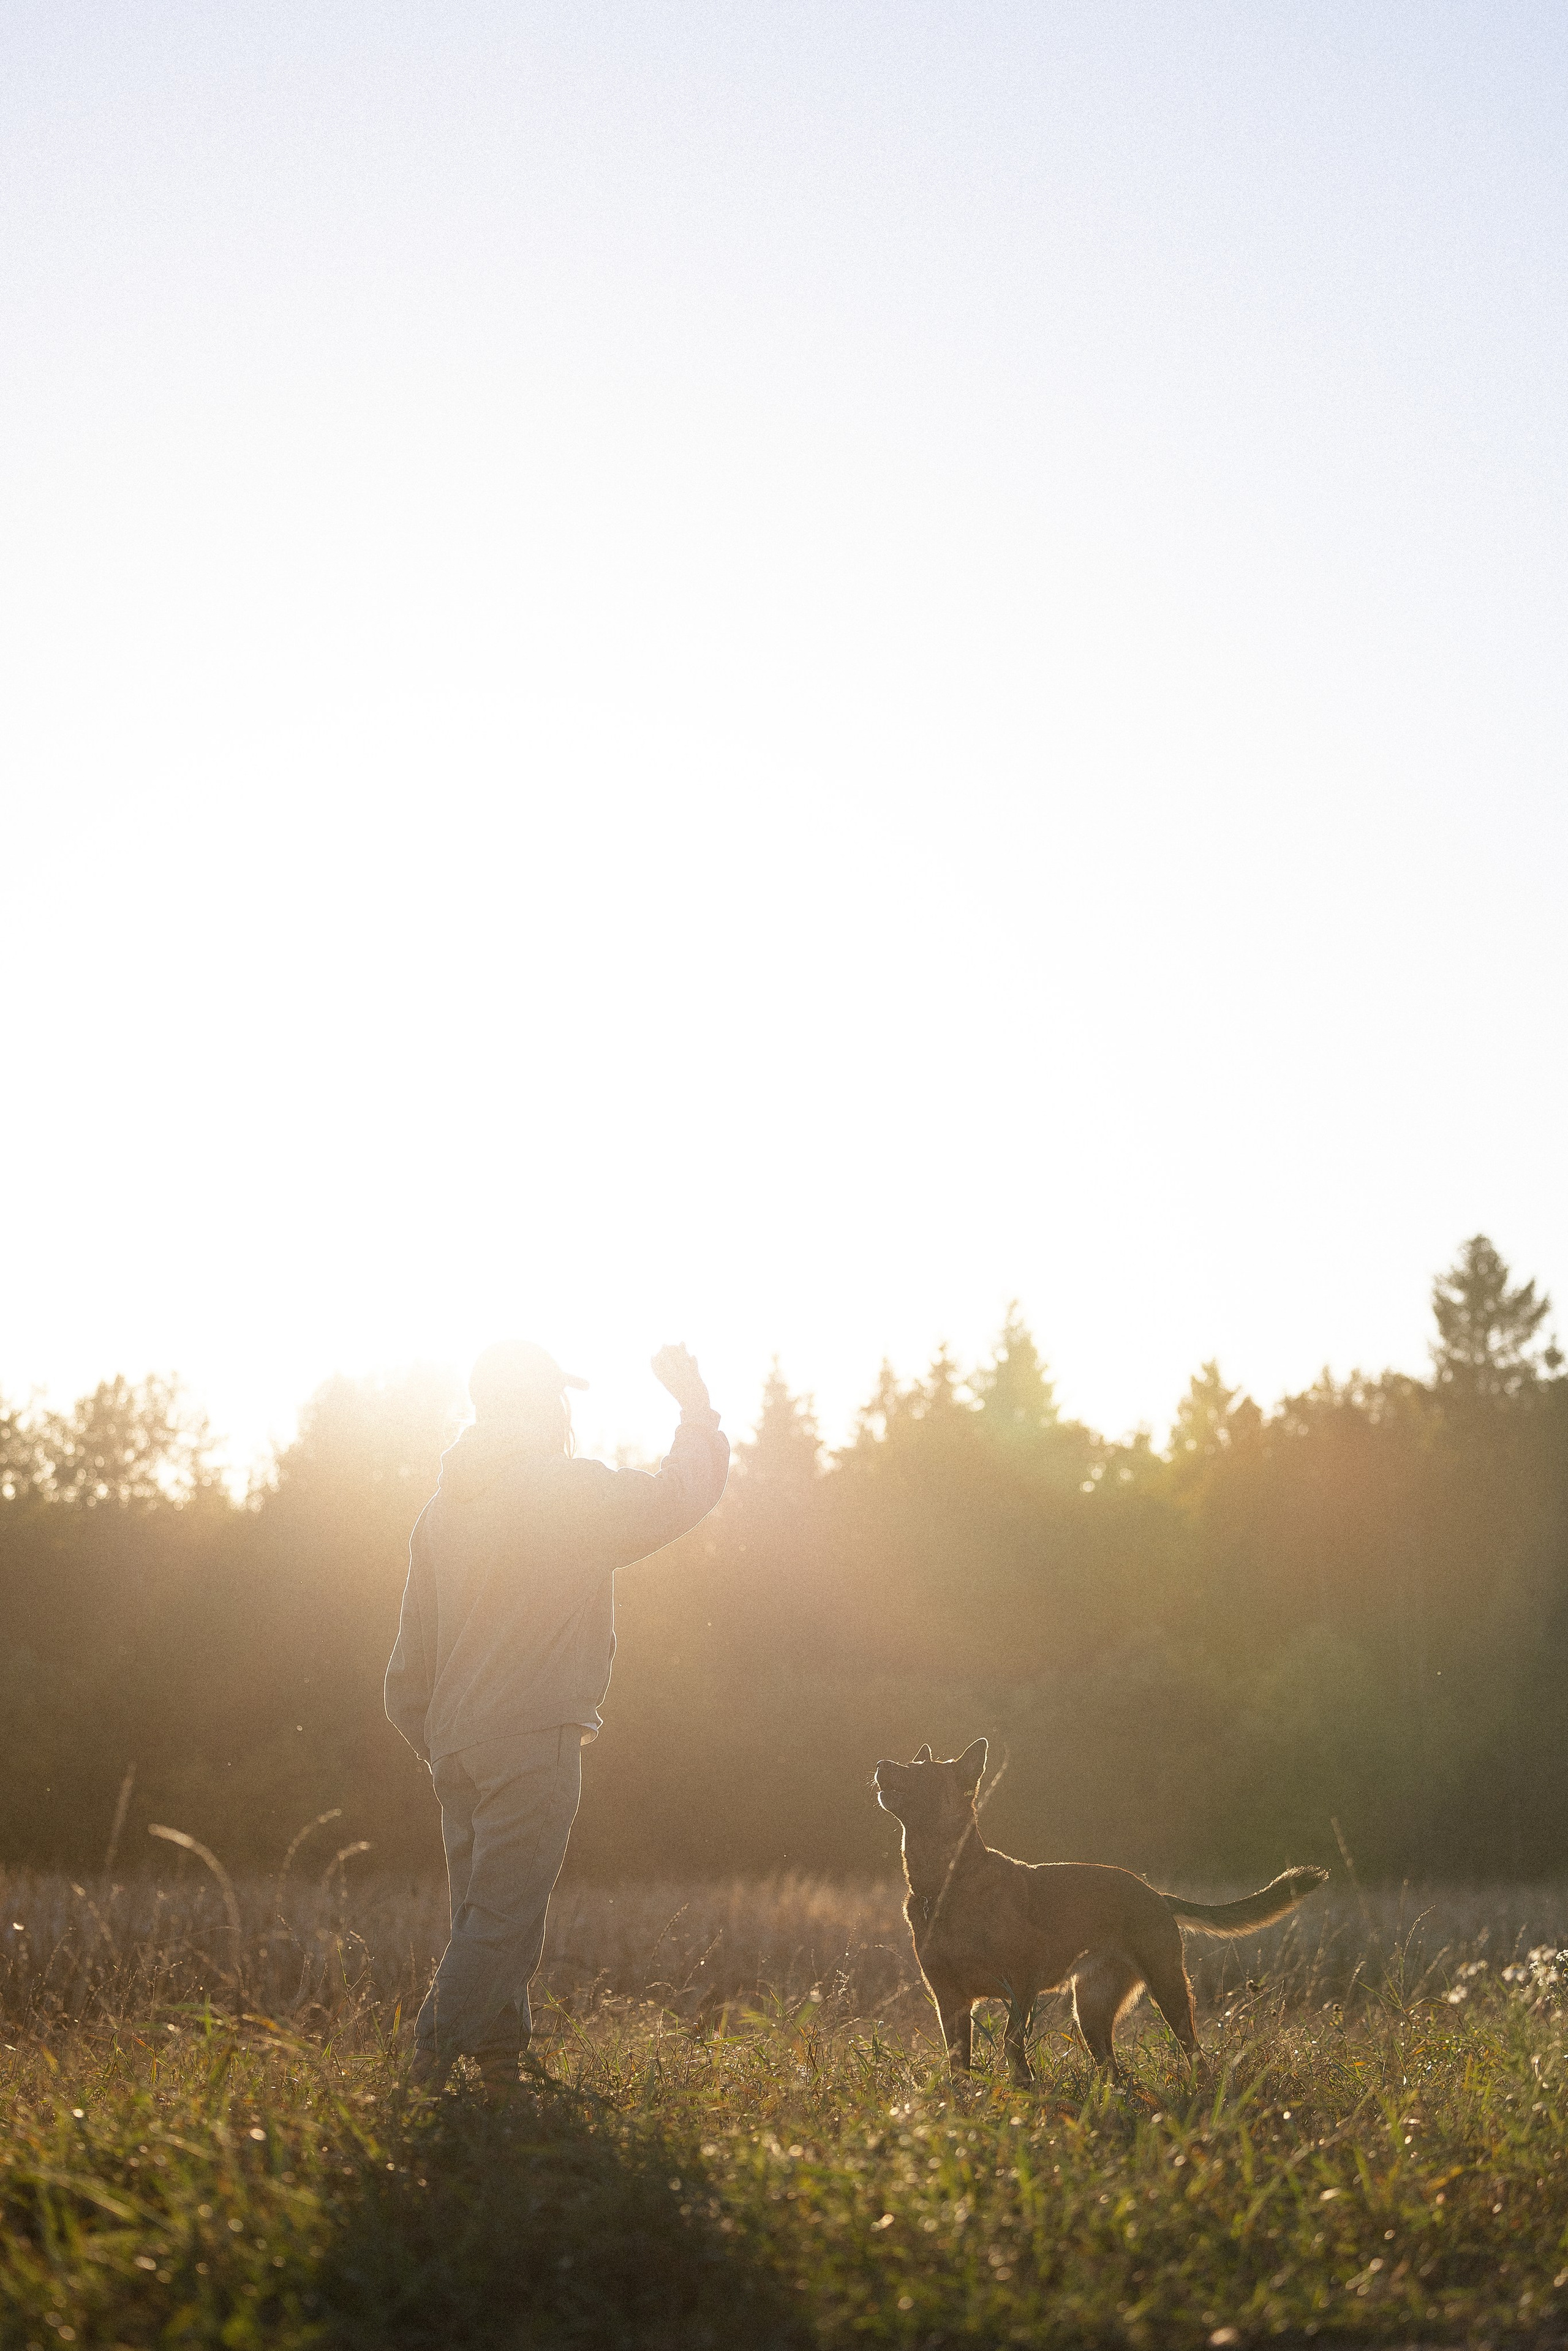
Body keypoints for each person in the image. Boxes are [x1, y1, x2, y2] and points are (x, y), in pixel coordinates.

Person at [385, 1337, 728, 2094]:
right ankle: (423, 2073)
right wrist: (696, 1411)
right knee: (502, 1919)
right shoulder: (562, 1490)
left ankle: (500, 2072)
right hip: (531, 1736)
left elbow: (407, 1667)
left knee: (486, 1914)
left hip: (455, 1746)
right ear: (541, 1405)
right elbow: (676, 1497)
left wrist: (440, 1740)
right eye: (557, 1398)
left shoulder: (441, 1512)